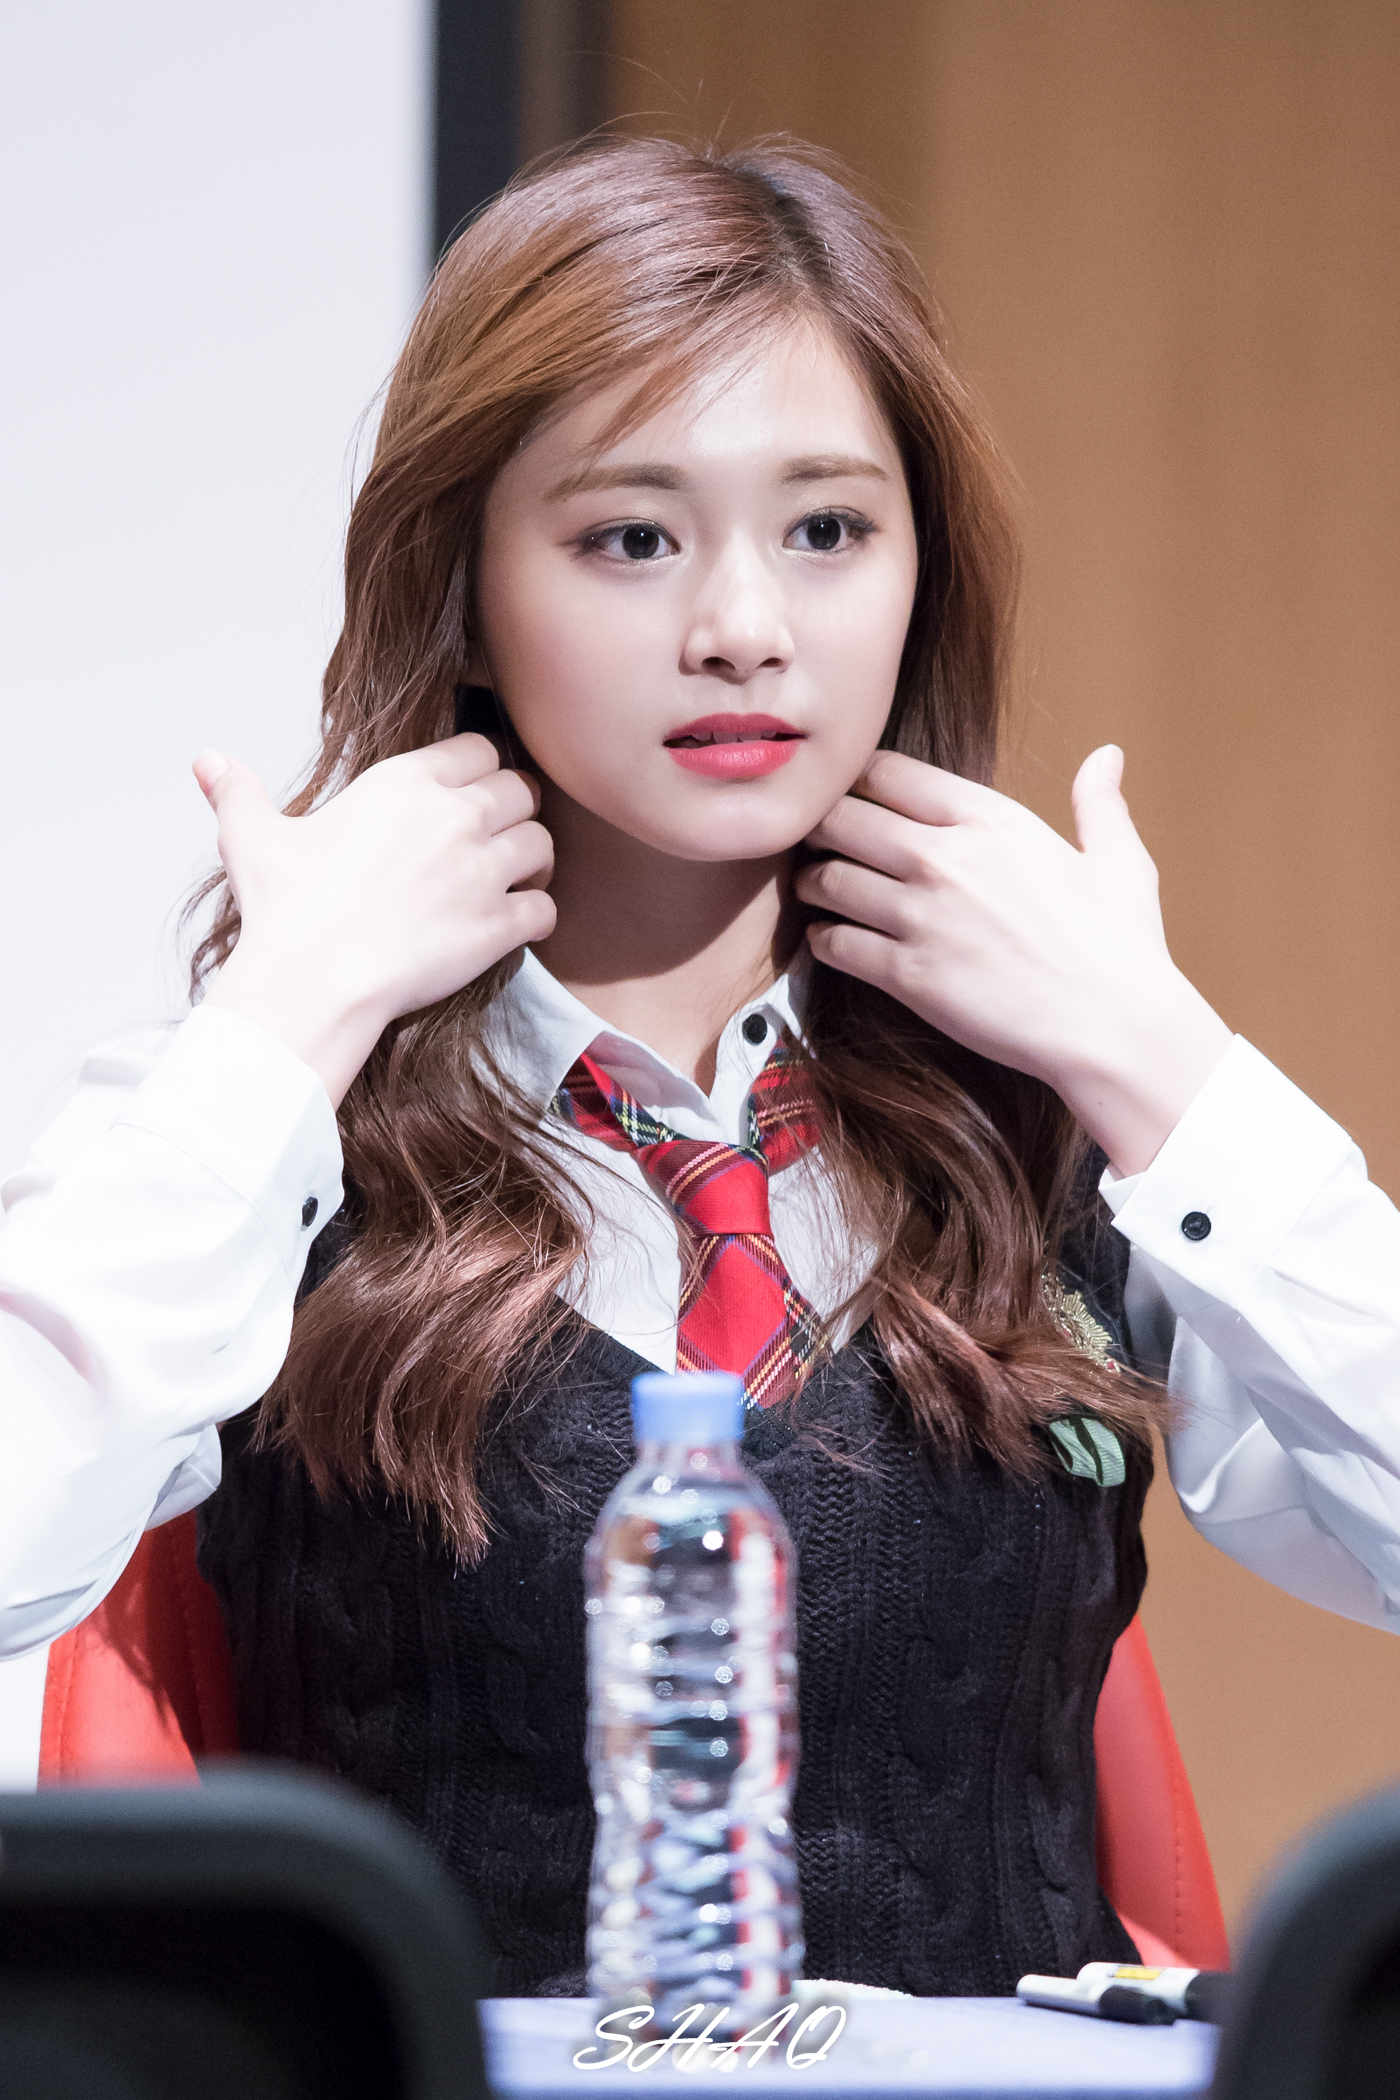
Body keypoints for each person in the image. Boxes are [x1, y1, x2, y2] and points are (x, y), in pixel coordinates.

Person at [3, 136, 1399, 1996]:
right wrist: (281, 1028)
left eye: (827, 530)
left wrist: (1166, 1068)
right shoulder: (268, 1119)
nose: (744, 627)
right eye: (631, 538)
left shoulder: (1056, 1122)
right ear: (463, 588)